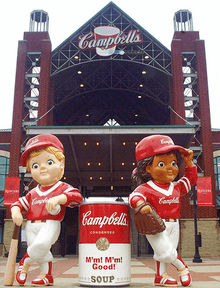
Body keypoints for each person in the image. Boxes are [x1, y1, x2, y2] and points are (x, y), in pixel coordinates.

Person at [10, 134, 83, 286]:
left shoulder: (61, 187)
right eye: (35, 165)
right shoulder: (33, 192)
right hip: (30, 224)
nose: (42, 167)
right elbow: (19, 203)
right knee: (41, 251)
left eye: (49, 162)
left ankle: (24, 264)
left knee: (41, 245)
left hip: (50, 223)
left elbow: (77, 197)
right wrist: (16, 211)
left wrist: (59, 199)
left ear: (61, 164)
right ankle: (46, 276)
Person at [129, 135, 197, 287]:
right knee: (166, 252)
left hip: (174, 223)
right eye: (161, 163)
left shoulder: (176, 186)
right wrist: (141, 204)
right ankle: (183, 269)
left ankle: (161, 276)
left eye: (173, 163)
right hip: (156, 224)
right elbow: (134, 197)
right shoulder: (147, 188)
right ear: (148, 168)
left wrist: (189, 162)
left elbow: (190, 180)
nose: (170, 168)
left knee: (166, 252)